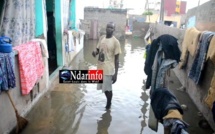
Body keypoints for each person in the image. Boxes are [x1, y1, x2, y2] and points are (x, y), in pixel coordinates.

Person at [92, 22, 121, 109]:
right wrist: (94, 53)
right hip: (100, 67)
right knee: (103, 88)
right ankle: (108, 103)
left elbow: (117, 59)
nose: (109, 29)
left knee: (108, 89)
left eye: (111, 28)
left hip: (108, 69)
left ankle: (108, 104)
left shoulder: (116, 42)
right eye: (108, 27)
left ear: (114, 30)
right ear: (106, 28)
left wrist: (116, 74)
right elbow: (98, 50)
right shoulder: (102, 38)